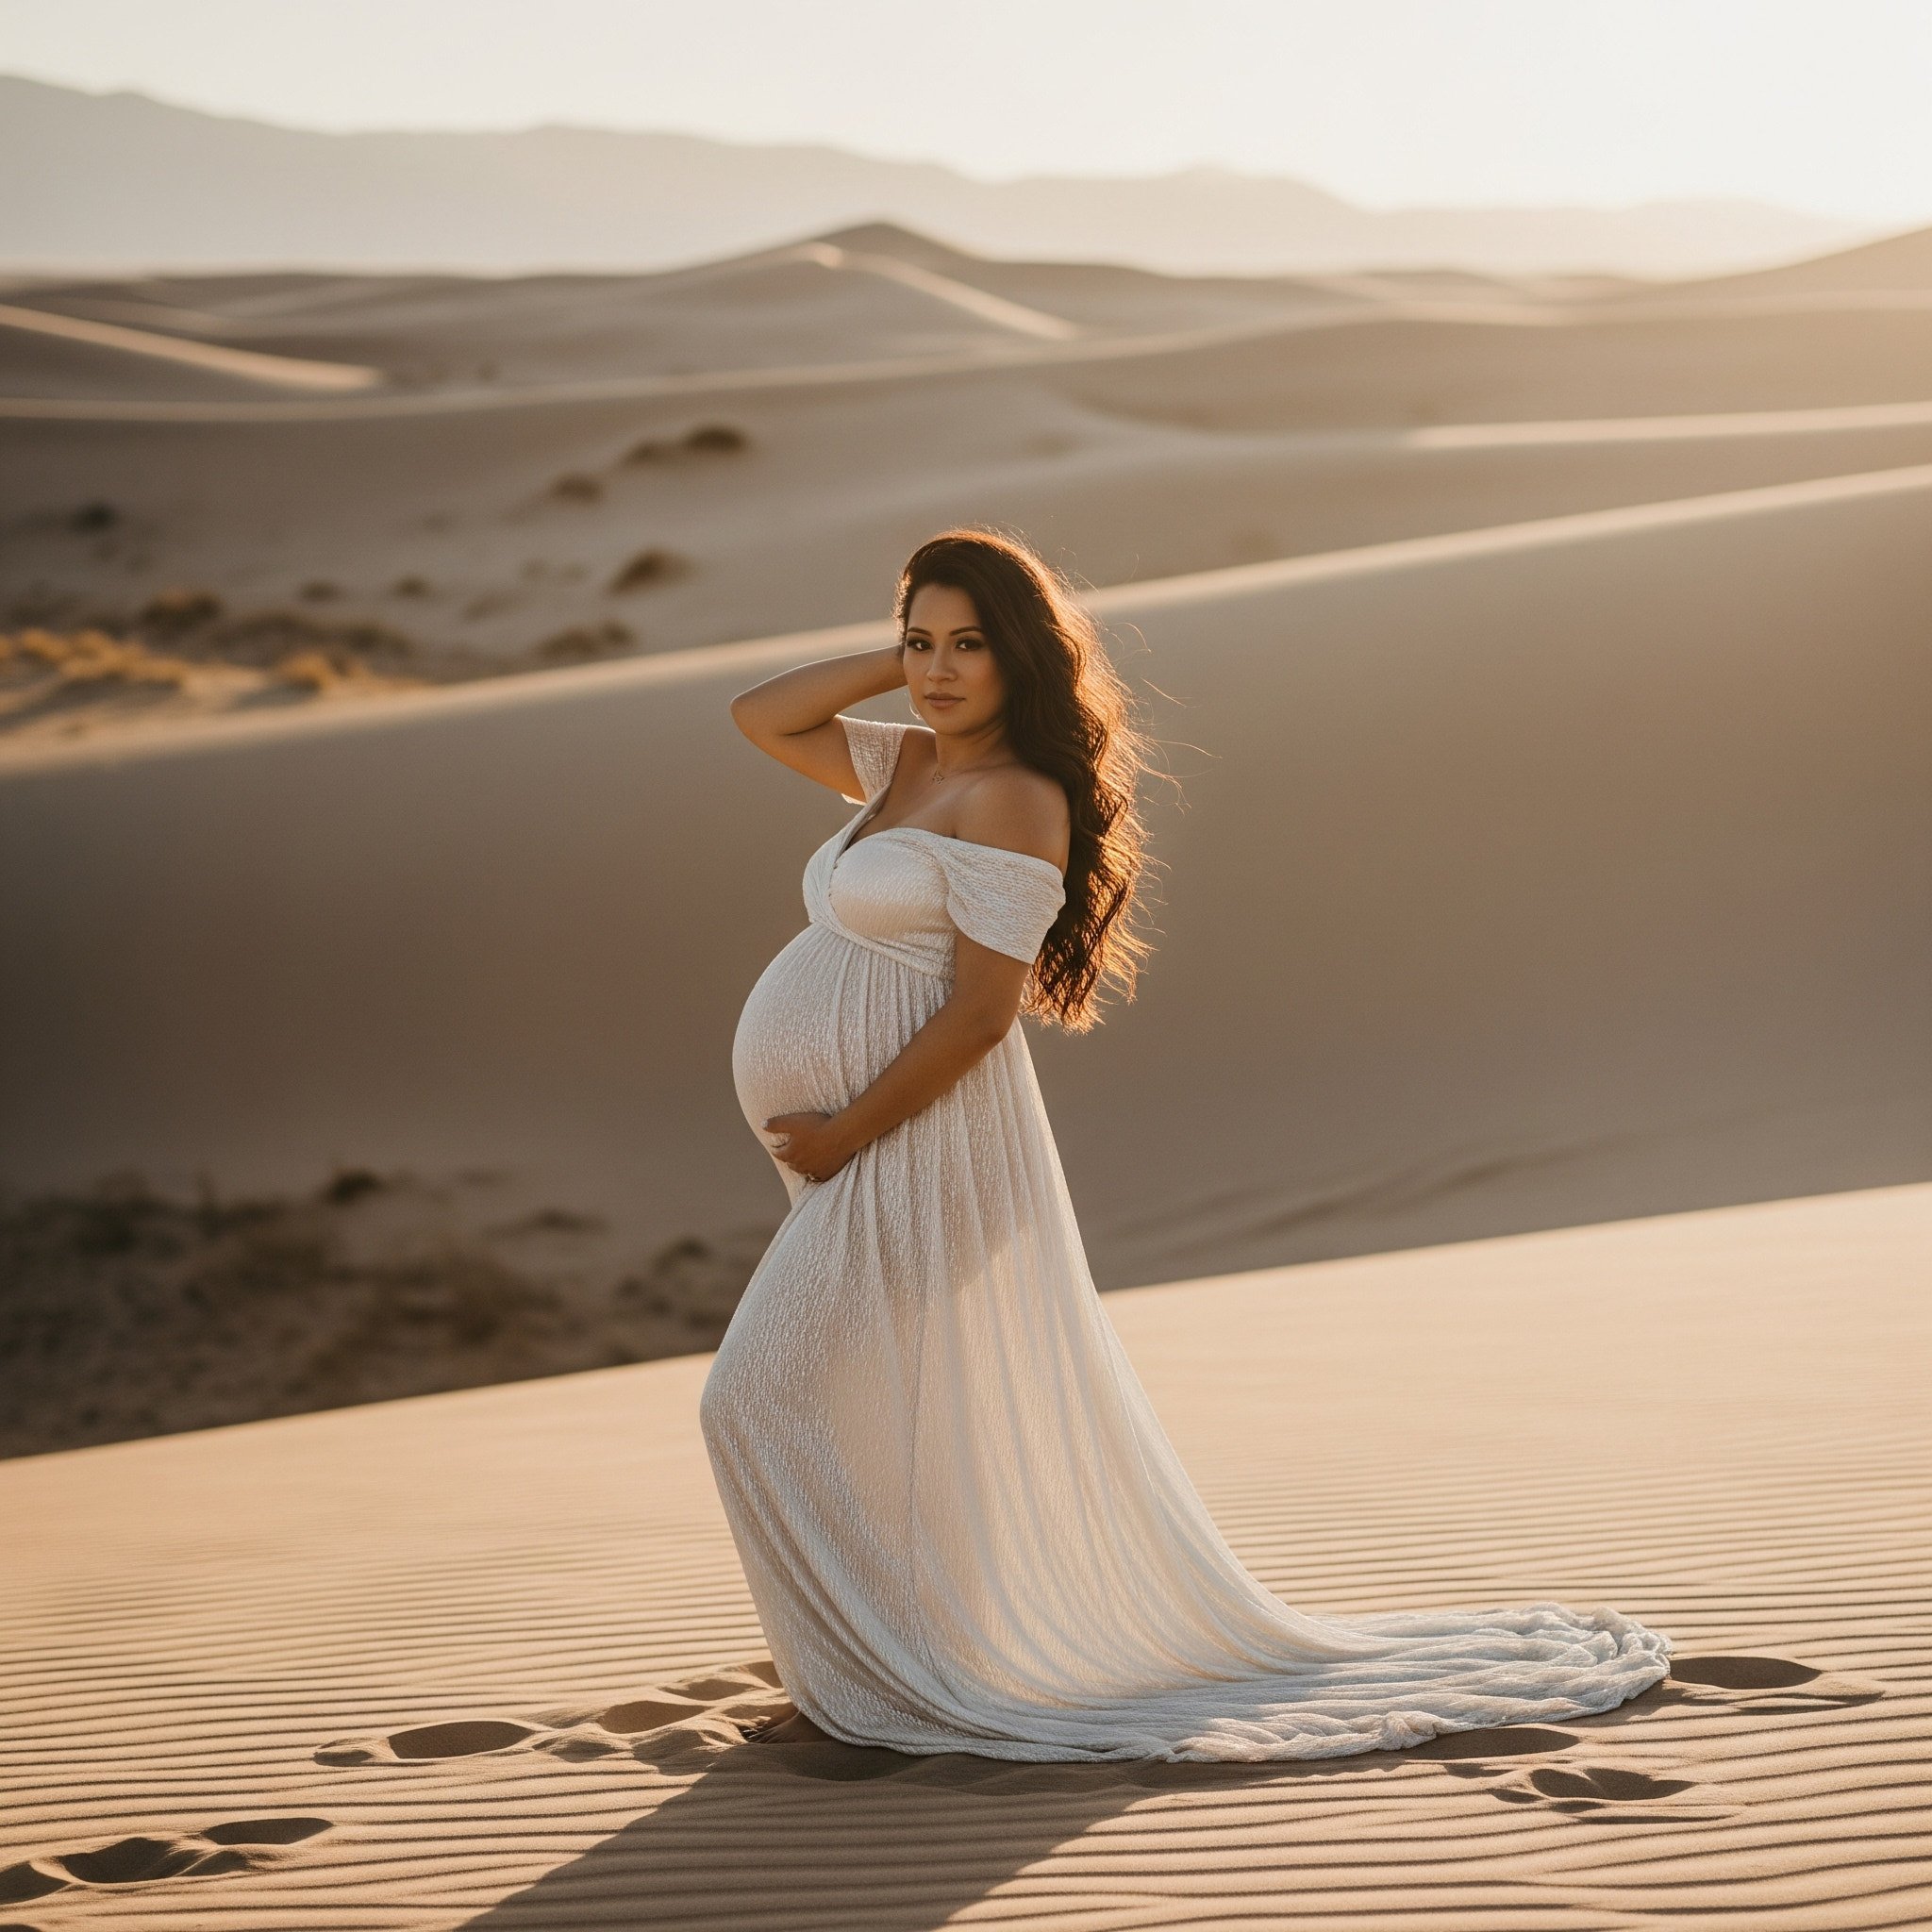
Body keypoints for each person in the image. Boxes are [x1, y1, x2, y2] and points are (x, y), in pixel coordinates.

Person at [700, 527, 1672, 1763]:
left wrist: (847, 1132)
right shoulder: (899, 766)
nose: (940, 669)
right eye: (921, 641)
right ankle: (880, 1665)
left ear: (1024, 660)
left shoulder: (1016, 798)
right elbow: (756, 715)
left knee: (755, 1400)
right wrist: (899, 668)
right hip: (857, 1154)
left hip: (921, 1153)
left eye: (970, 644)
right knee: (873, 1413)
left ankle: (878, 1685)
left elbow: (986, 1012)